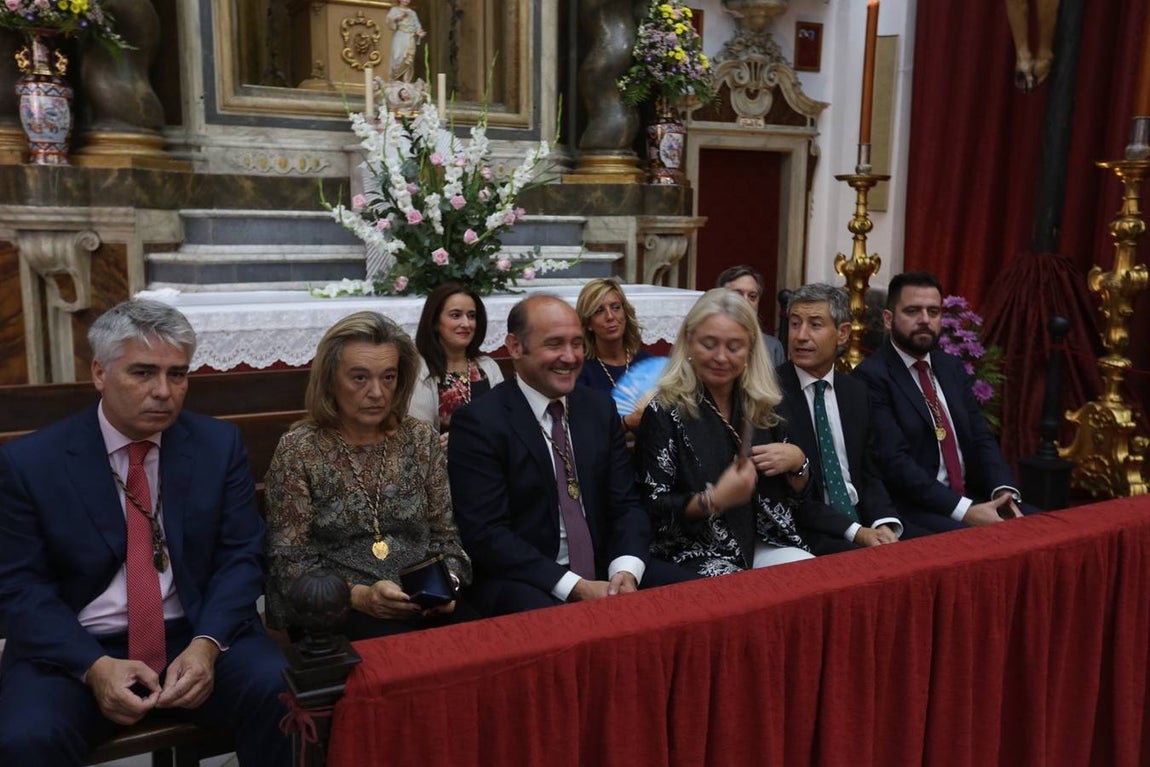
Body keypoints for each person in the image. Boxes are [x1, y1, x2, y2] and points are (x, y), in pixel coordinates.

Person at [0, 299, 289, 766]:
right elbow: (18, 587)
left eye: (177, 374)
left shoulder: (218, 445)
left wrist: (207, 646)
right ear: (100, 373)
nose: (164, 391)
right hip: (80, 645)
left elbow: (242, 555)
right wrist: (93, 667)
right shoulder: (32, 463)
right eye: (143, 373)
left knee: (281, 694)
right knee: (27, 739)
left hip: (194, 632)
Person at [448, 294, 690, 616]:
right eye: (554, 344)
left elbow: (626, 505)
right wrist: (576, 587)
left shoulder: (598, 408)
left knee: (696, 598)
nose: (570, 356)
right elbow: (487, 535)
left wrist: (626, 571)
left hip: (607, 570)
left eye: (577, 343)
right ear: (515, 346)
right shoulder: (480, 422)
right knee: (562, 628)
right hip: (527, 579)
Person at [264, 311, 473, 640]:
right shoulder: (300, 450)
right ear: (331, 380)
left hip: (426, 600)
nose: (377, 392)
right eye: (360, 378)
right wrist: (359, 596)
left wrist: (448, 584)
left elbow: (447, 539)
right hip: (339, 608)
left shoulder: (421, 439)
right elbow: (289, 562)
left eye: (388, 377)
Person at [635, 289, 848, 577]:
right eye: (709, 344)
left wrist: (799, 464)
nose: (721, 357)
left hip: (764, 540)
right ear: (688, 342)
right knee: (741, 593)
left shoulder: (762, 403)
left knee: (812, 579)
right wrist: (713, 500)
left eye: (734, 347)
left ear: (749, 349)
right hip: (695, 549)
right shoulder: (664, 411)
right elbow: (652, 507)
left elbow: (799, 500)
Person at [853, 271, 1026, 533]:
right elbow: (896, 463)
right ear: (888, 319)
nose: (925, 320)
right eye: (913, 311)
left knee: (1043, 529)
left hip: (973, 498)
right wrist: (965, 511)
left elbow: (981, 438)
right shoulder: (872, 376)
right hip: (917, 509)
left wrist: (1002, 492)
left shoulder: (951, 368)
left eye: (933, 312)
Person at [775, 283, 913, 553]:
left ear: (842, 333)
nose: (801, 336)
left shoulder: (855, 392)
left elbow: (869, 472)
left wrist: (884, 522)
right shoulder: (770, 393)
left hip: (862, 521)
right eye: (794, 324)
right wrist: (856, 533)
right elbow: (788, 497)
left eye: (815, 325)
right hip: (807, 530)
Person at [410, 283, 504, 443]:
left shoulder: (488, 367)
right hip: (437, 463)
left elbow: (504, 422)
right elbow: (418, 438)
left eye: (472, 316)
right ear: (434, 322)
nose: (466, 324)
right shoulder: (419, 369)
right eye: (455, 315)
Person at [574, 278, 652, 431]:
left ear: (625, 313)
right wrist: (626, 423)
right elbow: (583, 429)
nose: (610, 317)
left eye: (616, 307)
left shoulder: (646, 363)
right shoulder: (580, 370)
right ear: (588, 323)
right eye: (599, 311)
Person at [716, 264, 786, 366]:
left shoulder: (772, 347)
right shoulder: (709, 340)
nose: (745, 301)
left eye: (752, 296)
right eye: (737, 294)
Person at [386, 0, 425, 83]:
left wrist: (419, 32)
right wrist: (397, 18)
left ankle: (406, 81)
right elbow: (389, 23)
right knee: (397, 56)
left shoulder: (412, 13)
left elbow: (417, 26)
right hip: (400, 36)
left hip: (410, 38)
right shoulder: (394, 10)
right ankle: (394, 79)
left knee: (408, 59)